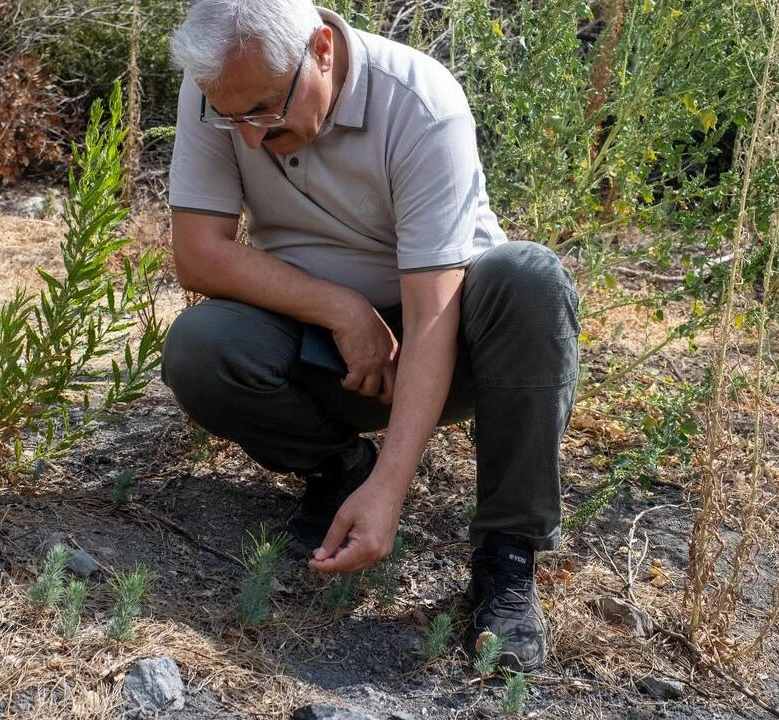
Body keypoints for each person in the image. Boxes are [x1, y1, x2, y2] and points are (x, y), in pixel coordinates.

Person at [162, 0, 578, 672]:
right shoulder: (224, 89)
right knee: (201, 348)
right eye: (231, 117)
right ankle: (335, 470)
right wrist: (343, 310)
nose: (247, 137)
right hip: (328, 348)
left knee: (529, 280)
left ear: (322, 50)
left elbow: (435, 314)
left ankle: (507, 556)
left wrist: (393, 488)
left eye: (266, 110)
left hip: (455, 345)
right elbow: (198, 255)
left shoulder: (422, 103)